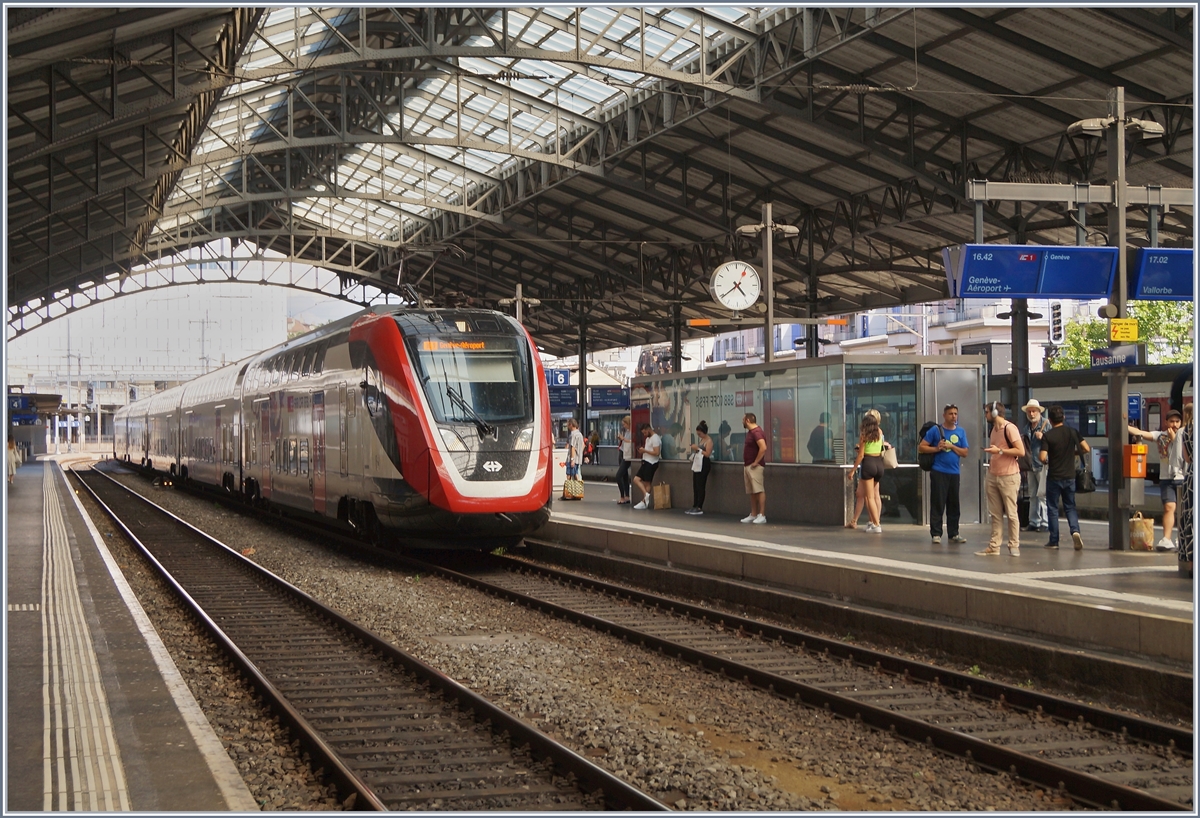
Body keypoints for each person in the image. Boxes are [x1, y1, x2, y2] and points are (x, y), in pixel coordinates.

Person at [1128, 409, 1185, 551]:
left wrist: (1174, 440)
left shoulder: (1185, 436)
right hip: (1166, 478)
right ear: (1166, 422)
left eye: (1177, 421)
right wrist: (1123, 424)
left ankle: (1184, 537)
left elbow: (1184, 456)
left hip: (1183, 477)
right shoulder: (1160, 436)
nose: (1175, 424)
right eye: (1172, 421)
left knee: (1184, 510)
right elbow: (1141, 433)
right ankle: (1167, 539)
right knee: (1169, 508)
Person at [1040, 404, 1091, 550]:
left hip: (1054, 477)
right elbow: (1086, 448)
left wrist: (1050, 458)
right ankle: (1075, 531)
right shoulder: (1072, 432)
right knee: (1070, 507)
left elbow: (1042, 457)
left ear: (1049, 420)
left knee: (1053, 509)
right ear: (1063, 417)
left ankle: (1054, 541)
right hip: (1070, 477)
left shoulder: (1048, 436)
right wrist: (1072, 453)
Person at [978, 401, 1025, 557]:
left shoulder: (1009, 428)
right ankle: (994, 546)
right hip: (993, 474)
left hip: (1009, 475)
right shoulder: (994, 430)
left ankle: (1014, 545)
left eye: (986, 412)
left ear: (995, 413)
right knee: (995, 514)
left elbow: (1021, 451)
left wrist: (999, 451)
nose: (985, 415)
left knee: (1012, 513)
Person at [918, 403, 969, 544]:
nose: (953, 416)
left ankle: (954, 533)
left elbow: (965, 452)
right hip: (939, 471)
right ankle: (936, 533)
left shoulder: (961, 432)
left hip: (954, 472)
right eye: (950, 414)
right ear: (944, 415)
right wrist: (936, 448)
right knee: (938, 502)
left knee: (954, 504)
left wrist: (952, 446)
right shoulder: (936, 430)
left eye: (955, 414)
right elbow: (921, 447)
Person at [852, 410, 891, 533]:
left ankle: (876, 524)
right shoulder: (880, 433)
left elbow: (861, 455)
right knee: (875, 495)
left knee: (869, 498)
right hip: (879, 464)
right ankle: (873, 522)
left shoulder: (864, 435)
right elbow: (880, 449)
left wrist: (852, 470)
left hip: (868, 464)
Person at [1022, 399, 1052, 534]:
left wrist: (1043, 437)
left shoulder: (1046, 424)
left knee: (1043, 495)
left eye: (1034, 411)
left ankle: (1045, 522)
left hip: (1043, 464)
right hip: (1031, 465)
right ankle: (1033, 522)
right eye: (1029, 411)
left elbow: (1054, 441)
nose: (1032, 413)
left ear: (1039, 412)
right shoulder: (1026, 427)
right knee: (1032, 494)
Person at [741, 412, 768, 524]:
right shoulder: (751, 432)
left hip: (754, 466)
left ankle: (762, 514)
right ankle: (753, 513)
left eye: (743, 419)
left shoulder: (757, 432)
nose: (742, 422)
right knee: (752, 490)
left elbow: (763, 447)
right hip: (748, 465)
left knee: (759, 489)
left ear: (747, 420)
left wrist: (756, 462)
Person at [685, 421, 714, 515]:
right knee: (696, 485)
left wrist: (698, 449)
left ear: (704, 432)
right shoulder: (702, 440)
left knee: (701, 485)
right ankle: (695, 505)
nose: (699, 435)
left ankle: (699, 506)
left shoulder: (709, 441)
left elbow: (707, 454)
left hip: (704, 464)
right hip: (698, 463)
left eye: (700, 434)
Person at [632, 423, 662, 510]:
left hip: (651, 462)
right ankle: (646, 496)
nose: (644, 435)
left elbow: (657, 452)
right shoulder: (648, 438)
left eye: (645, 433)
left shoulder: (655, 438)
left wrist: (645, 450)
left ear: (648, 429)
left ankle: (644, 501)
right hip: (646, 461)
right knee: (636, 479)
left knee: (647, 483)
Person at [1178, 403, 1193, 576]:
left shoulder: (1185, 431)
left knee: (1190, 521)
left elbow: (1187, 458)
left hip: (1191, 478)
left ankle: (1191, 566)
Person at [563, 418, 585, 500]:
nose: (567, 426)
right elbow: (582, 446)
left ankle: (567, 493)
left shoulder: (573, 434)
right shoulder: (580, 434)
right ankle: (577, 492)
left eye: (568, 424)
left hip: (572, 458)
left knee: (568, 475)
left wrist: (572, 459)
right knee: (575, 475)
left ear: (571, 425)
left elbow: (572, 447)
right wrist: (579, 455)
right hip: (578, 459)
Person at [615, 415, 633, 505]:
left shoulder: (632, 432)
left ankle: (622, 496)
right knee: (624, 475)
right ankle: (627, 496)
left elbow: (631, 441)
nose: (624, 426)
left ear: (628, 423)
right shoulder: (627, 431)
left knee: (618, 476)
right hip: (622, 451)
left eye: (625, 424)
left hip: (627, 454)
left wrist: (623, 439)